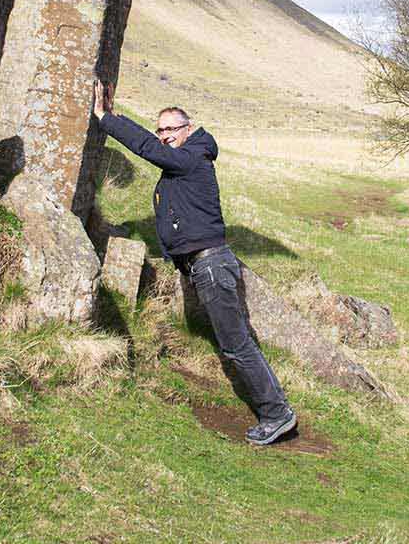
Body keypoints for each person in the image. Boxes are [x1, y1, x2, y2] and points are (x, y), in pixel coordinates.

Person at [92, 79, 297, 446]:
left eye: (172, 129)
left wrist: (107, 119)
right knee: (234, 341)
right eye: (161, 129)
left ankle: (277, 414)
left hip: (212, 266)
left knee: (236, 345)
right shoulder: (183, 163)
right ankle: (275, 410)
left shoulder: (193, 158)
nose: (165, 135)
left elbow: (150, 150)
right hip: (204, 266)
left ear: (189, 129)